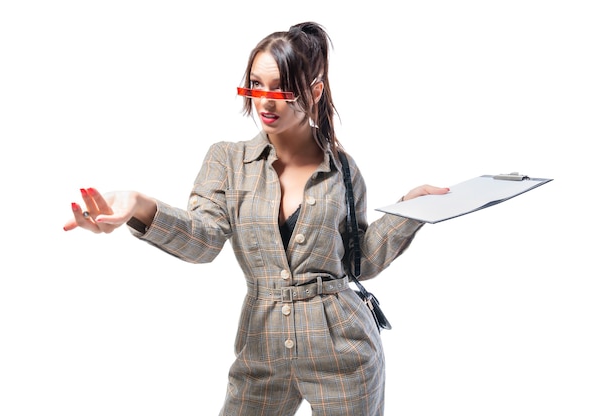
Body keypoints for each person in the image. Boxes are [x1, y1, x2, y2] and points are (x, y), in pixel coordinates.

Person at [63, 21, 449, 416]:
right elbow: (204, 241)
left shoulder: (343, 171)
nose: (265, 101)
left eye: (281, 88)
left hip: (344, 350)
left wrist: (410, 211)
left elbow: (359, 262)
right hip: (261, 347)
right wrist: (141, 205)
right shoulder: (227, 161)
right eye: (255, 85)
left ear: (313, 92)